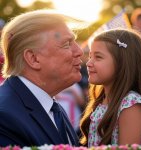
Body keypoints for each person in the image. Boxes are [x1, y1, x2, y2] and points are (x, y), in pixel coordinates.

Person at [0, 10, 83, 147]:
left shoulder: (51, 106)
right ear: (33, 58)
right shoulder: (5, 117)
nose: (79, 51)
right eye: (67, 44)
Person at [80, 28, 141, 146]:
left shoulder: (131, 104)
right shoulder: (101, 100)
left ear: (122, 62)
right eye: (90, 56)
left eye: (98, 57)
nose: (88, 63)